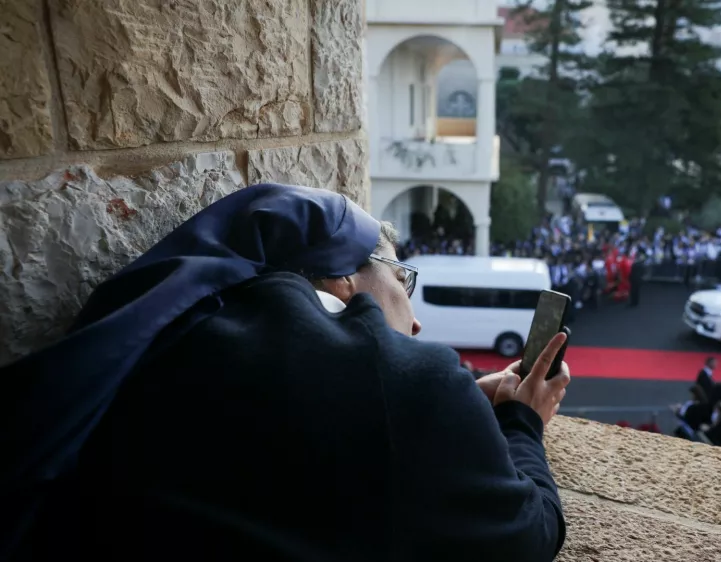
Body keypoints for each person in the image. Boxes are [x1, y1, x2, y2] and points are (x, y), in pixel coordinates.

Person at [0, 184, 571, 562]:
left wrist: (452, 412)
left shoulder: (178, 332)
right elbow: (527, 536)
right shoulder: (407, 380)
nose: (416, 323)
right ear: (343, 277)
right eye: (404, 280)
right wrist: (522, 420)